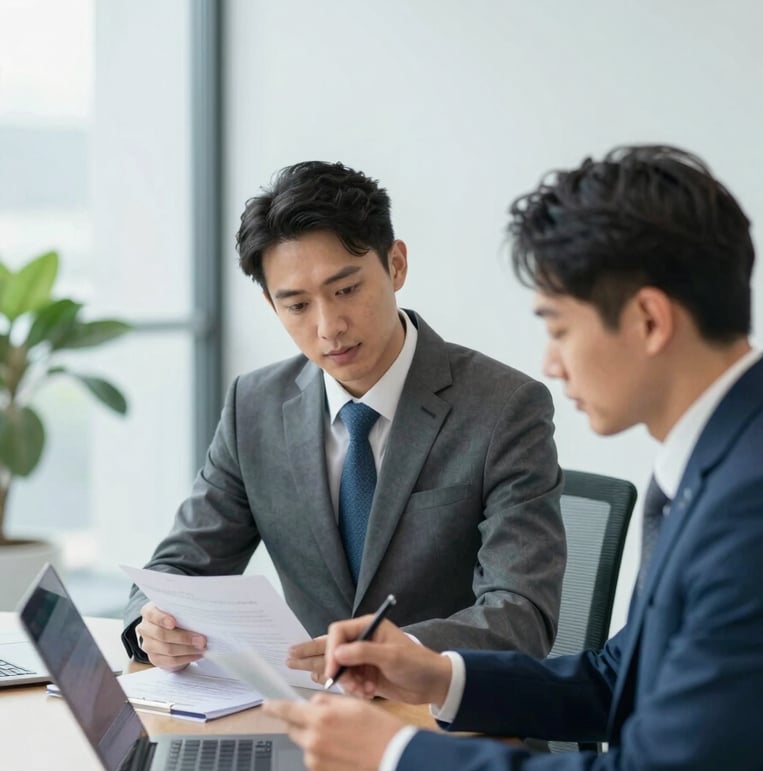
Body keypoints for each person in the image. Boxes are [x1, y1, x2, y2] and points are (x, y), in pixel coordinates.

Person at [265, 145, 763, 771]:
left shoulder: (751, 507)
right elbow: (614, 676)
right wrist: (438, 676)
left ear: (650, 320)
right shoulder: (727, 457)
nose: (552, 361)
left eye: (559, 327)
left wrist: (395, 760)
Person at [121, 160, 565, 673]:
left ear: (396, 265)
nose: (329, 326)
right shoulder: (254, 406)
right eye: (297, 305)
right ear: (271, 304)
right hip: (307, 719)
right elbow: (178, 567)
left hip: (449, 725)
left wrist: (391, 656)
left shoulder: (504, 408)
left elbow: (522, 613)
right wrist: (152, 624)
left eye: (346, 290)